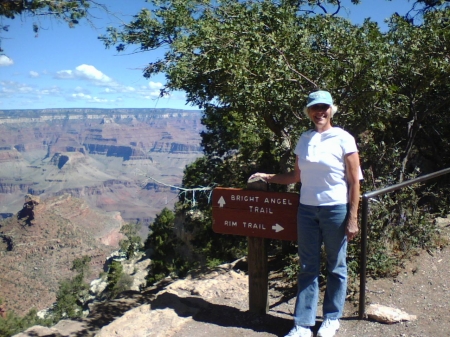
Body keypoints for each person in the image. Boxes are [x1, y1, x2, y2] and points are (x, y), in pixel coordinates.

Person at [250, 90, 362, 337]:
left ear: (331, 109)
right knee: (307, 267)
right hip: (307, 210)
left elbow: (355, 183)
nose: (319, 112)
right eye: (314, 108)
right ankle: (302, 325)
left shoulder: (344, 138)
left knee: (336, 266)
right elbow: (296, 177)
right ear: (308, 112)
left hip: (335, 209)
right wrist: (267, 176)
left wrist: (353, 218)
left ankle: (331, 318)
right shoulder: (305, 138)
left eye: (323, 107)